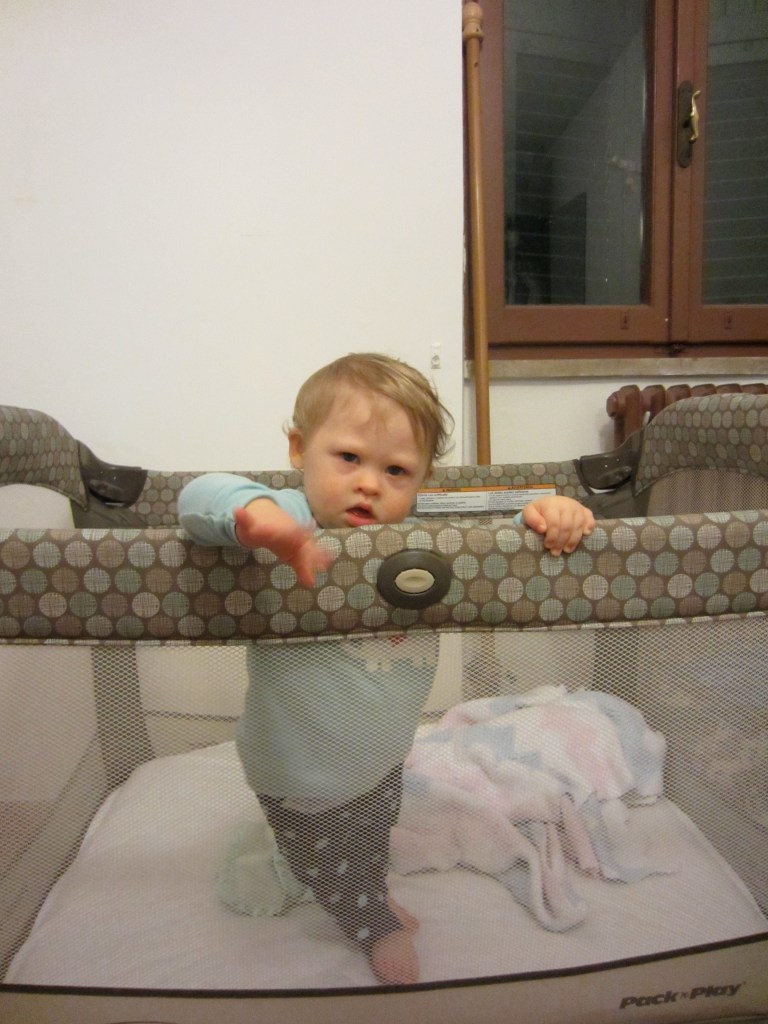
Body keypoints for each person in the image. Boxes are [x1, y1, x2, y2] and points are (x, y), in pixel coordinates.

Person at [178, 352, 595, 984]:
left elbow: (496, 547)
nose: (370, 483)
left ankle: (368, 887)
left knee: (373, 837)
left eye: (396, 470)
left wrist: (542, 519)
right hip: (300, 771)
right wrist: (261, 521)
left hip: (384, 755)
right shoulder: (292, 515)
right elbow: (196, 498)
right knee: (330, 867)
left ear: (422, 479)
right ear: (299, 448)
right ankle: (371, 923)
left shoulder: (423, 539)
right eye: (349, 458)